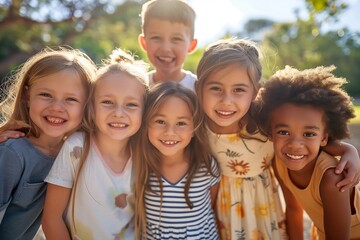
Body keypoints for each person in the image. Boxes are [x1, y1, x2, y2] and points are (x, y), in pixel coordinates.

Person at [195, 38, 360, 240]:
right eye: (215, 88)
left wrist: (347, 150)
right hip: (223, 214)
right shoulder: (196, 125)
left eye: (239, 89)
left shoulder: (264, 123)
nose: (226, 101)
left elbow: (307, 138)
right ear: (199, 88)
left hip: (265, 212)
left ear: (254, 92)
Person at [41, 48, 149, 239]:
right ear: (91, 108)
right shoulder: (77, 148)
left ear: (144, 111)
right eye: (107, 102)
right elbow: (52, 219)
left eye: (131, 104)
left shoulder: (145, 153)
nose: (118, 112)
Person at [254, 65, 360, 240]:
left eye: (309, 134)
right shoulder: (279, 163)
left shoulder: (331, 179)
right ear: (270, 132)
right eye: (284, 132)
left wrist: (348, 149)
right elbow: (294, 209)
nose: (295, 144)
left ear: (324, 138)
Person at [0, 46, 96, 239]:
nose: (56, 107)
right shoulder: (12, 153)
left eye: (71, 99)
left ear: (86, 105)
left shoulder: (76, 154)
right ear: (28, 96)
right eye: (46, 95)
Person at [134, 81, 220, 239]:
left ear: (194, 129)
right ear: (146, 124)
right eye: (160, 121)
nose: (170, 132)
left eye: (181, 123)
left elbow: (212, 206)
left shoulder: (206, 166)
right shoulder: (140, 166)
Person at [138, 0, 198, 90]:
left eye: (176, 39)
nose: (166, 48)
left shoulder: (198, 88)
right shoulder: (138, 87)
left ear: (191, 45)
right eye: (156, 38)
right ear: (144, 42)